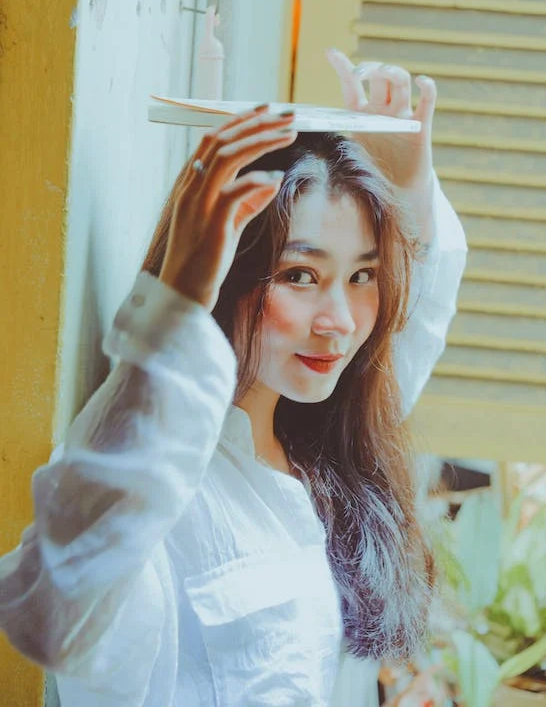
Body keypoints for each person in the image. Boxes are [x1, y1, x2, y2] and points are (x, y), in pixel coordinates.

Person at [0, 52, 467, 706]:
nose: (339, 321)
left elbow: (403, 340)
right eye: (300, 275)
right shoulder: (152, 484)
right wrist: (177, 304)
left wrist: (408, 190)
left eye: (362, 274)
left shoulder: (320, 447)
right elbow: (52, 614)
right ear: (224, 274)